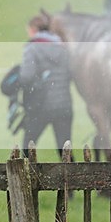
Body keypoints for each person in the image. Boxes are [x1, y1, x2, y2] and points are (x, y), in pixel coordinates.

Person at [19, 14, 73, 158]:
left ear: (33, 30)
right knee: (65, 151)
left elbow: (26, 77)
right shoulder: (63, 47)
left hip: (39, 106)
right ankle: (74, 179)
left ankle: (26, 179)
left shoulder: (32, 48)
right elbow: (71, 73)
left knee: (27, 149)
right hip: (64, 105)